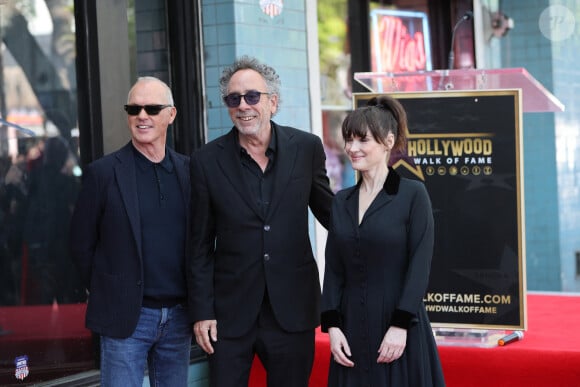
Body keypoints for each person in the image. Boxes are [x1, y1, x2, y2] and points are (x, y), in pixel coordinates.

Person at [188, 55, 334, 387]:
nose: (243, 106)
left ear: (273, 102)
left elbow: (331, 214)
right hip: (229, 313)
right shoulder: (206, 161)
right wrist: (202, 310)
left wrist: (380, 216)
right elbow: (198, 245)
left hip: (292, 309)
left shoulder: (306, 148)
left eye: (252, 96)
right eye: (233, 98)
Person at [70, 76, 192, 387]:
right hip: (126, 318)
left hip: (179, 318)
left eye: (152, 108)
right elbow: (80, 245)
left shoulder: (189, 171)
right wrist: (108, 289)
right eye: (134, 108)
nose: (142, 116)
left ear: (172, 115)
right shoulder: (104, 173)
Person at [320, 95, 445, 386]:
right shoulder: (341, 201)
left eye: (362, 140)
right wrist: (333, 327)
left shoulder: (412, 195)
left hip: (399, 325)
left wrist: (400, 325)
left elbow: (419, 265)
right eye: (348, 140)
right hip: (350, 329)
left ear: (388, 141)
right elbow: (334, 268)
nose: (352, 148)